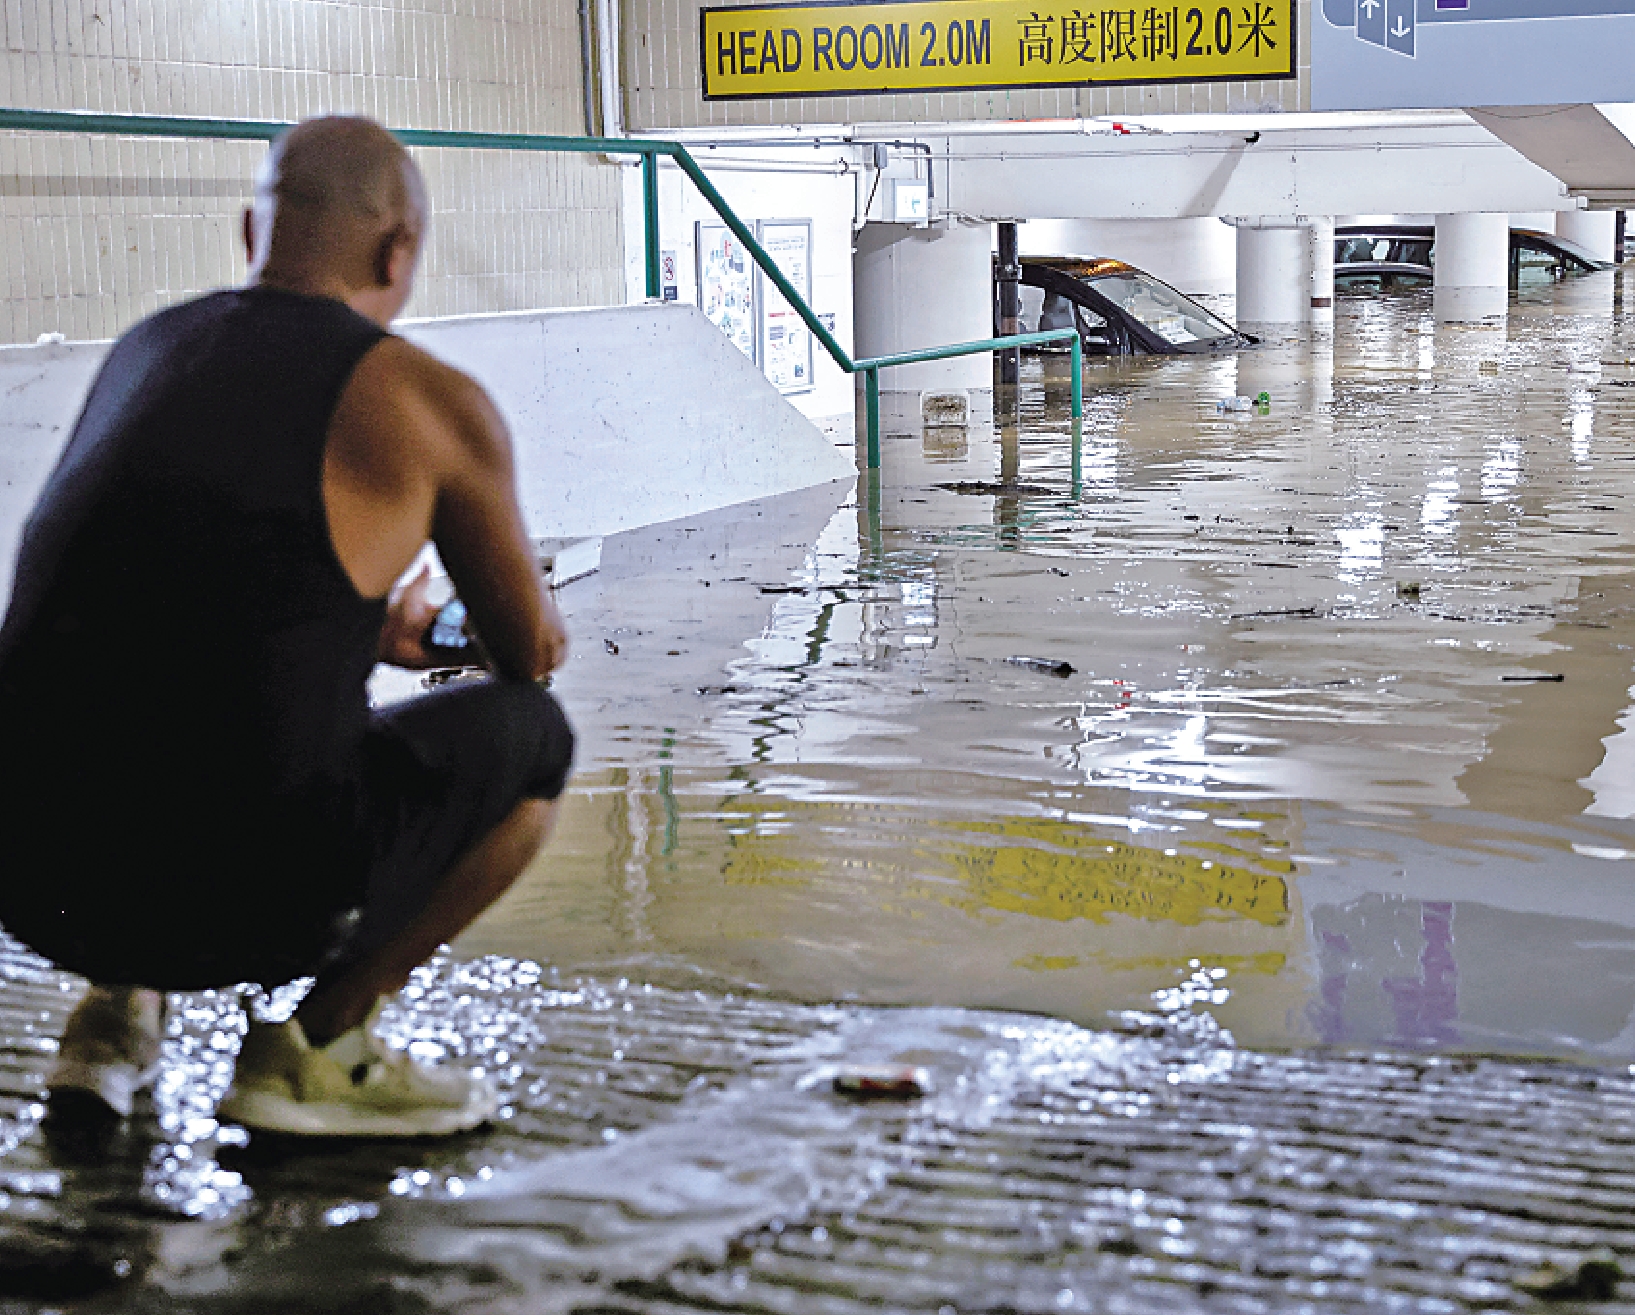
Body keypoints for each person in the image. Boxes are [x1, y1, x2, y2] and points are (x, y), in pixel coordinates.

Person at [0, 116, 574, 1138]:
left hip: (34, 882)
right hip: (247, 898)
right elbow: (526, 652)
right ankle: (318, 1051)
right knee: (535, 737)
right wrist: (440, 627)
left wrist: (365, 631)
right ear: (398, 251)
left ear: (248, 232)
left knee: (130, 688)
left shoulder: (148, 349)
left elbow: (158, 599)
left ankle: (114, 1008)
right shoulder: (422, 397)